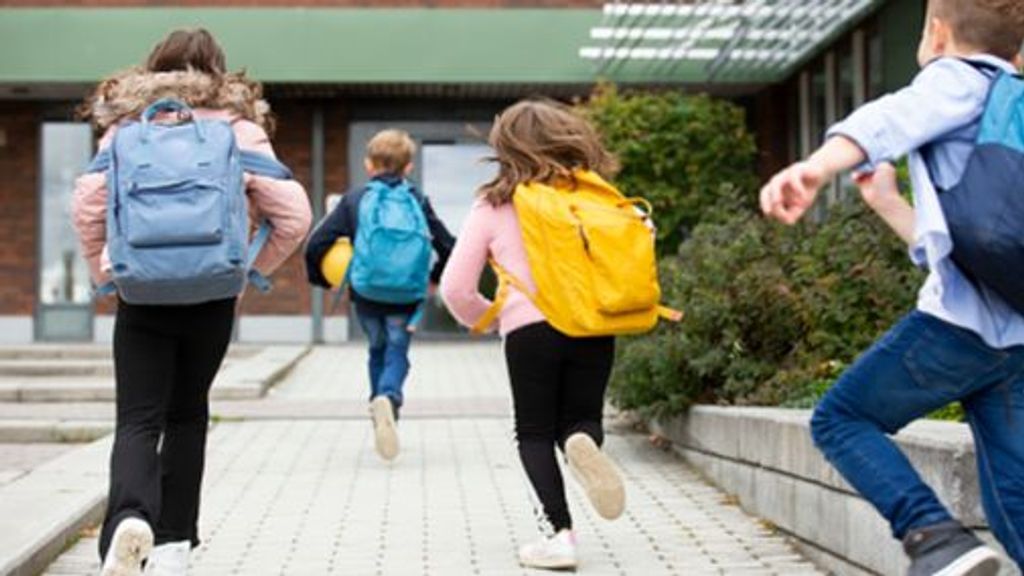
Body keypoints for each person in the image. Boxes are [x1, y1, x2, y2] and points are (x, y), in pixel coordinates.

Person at [760, 0, 1024, 573]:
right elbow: (976, 243)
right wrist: (889, 204)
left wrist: (817, 166)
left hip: (959, 329)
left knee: (841, 418)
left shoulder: (956, 77)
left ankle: (935, 539)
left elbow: (887, 119)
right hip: (1014, 343)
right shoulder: (1012, 100)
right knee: (1013, 501)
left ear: (936, 31)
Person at [73, 28, 311, 576]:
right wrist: (248, 270)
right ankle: (176, 543)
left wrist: (105, 275)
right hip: (212, 293)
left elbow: (87, 206)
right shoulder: (239, 128)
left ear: (154, 68)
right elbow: (294, 214)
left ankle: (130, 519)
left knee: (137, 418)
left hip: (142, 291)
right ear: (219, 72)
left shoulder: (127, 127)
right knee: (187, 415)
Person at [440, 100, 628, 571]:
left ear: (506, 147)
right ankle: (584, 443)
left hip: (530, 329)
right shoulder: (596, 195)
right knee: (581, 418)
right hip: (593, 325)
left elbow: (455, 287)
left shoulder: (495, 203)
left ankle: (560, 534)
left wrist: (488, 318)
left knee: (534, 431)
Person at [305, 129, 454, 461]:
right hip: (407, 293)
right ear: (409, 167)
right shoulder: (417, 200)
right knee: (397, 349)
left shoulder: (355, 200)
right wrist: (434, 278)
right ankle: (390, 398)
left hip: (367, 292)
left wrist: (321, 279)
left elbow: (316, 244)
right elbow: (449, 245)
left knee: (376, 349)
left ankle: (379, 407)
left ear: (369, 164)